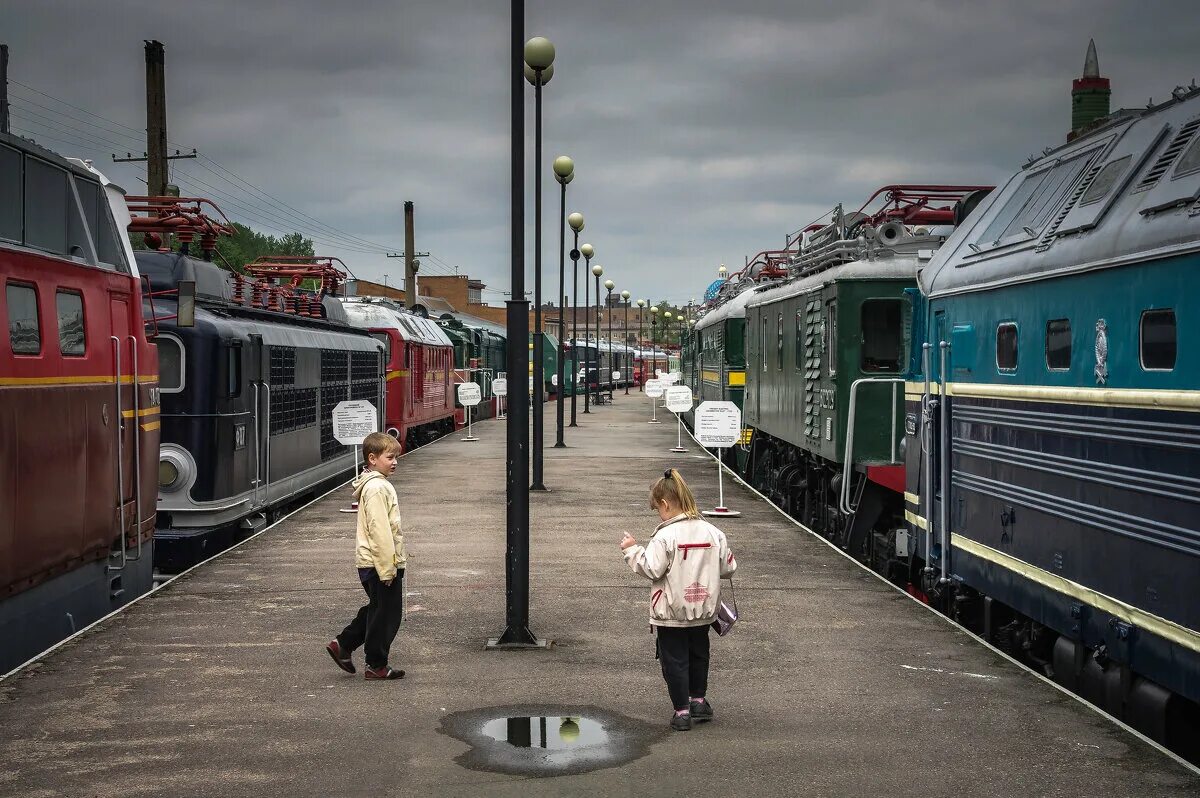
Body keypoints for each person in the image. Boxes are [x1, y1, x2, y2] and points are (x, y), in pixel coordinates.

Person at [620, 468, 737, 731]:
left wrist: (631, 550)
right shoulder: (713, 532)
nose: (658, 514)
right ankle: (698, 701)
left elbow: (652, 568)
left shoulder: (664, 536)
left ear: (665, 504)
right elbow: (729, 568)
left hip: (671, 613)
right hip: (704, 610)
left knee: (674, 660)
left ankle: (682, 712)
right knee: (699, 655)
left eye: (657, 509)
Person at [326, 432, 407, 680]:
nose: (394, 462)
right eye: (390, 457)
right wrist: (387, 569)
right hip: (379, 563)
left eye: (396, 457)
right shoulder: (377, 488)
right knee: (387, 615)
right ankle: (376, 665)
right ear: (372, 458)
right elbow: (380, 531)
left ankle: (343, 644)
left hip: (374, 562)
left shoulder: (374, 484)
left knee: (378, 608)